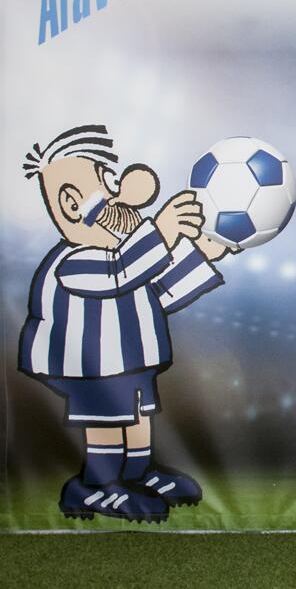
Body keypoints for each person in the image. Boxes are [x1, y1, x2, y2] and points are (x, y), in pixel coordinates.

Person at [19, 125, 229, 523]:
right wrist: (162, 231)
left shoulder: (124, 256)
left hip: (130, 361)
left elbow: (159, 291)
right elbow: (120, 272)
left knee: (135, 415)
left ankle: (137, 473)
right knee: (107, 419)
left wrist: (203, 254)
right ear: (70, 203)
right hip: (90, 366)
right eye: (107, 182)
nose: (121, 195)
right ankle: (97, 485)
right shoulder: (75, 260)